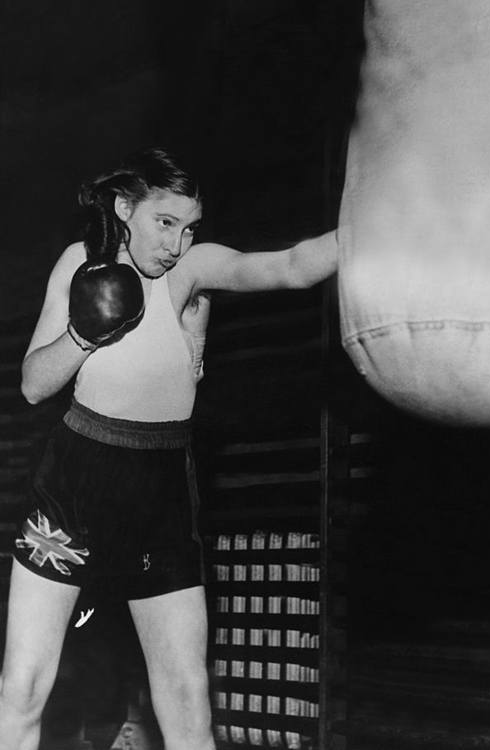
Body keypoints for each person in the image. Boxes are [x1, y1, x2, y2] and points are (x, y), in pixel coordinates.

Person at [0, 146, 338, 750]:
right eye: (165, 223)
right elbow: (32, 385)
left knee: (185, 695)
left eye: (189, 228)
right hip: (76, 481)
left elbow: (291, 266)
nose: (177, 243)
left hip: (159, 490)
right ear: (126, 207)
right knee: (23, 687)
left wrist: (381, 226)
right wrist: (84, 334)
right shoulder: (82, 262)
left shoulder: (191, 271)